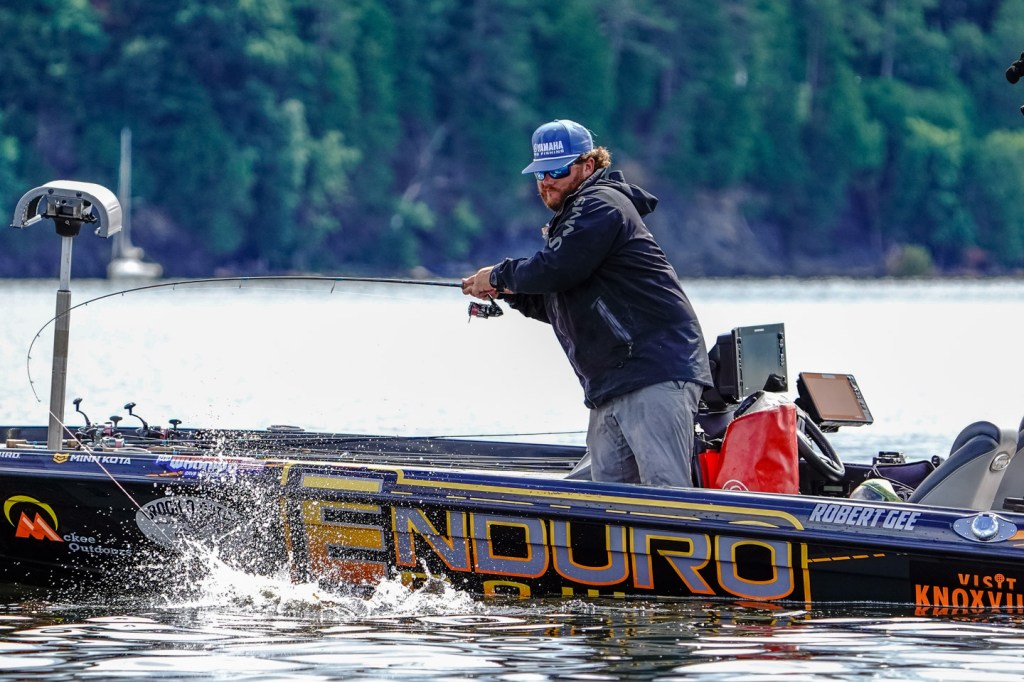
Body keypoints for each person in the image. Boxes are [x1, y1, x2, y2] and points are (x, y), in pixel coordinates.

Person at [462, 119, 712, 487]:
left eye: (557, 171)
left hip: (652, 374)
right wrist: (509, 293)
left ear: (588, 165)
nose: (546, 181)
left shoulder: (600, 204)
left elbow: (558, 268)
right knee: (604, 504)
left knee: (666, 496)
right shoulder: (576, 224)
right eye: (540, 173)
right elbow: (561, 301)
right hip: (613, 385)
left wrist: (500, 275)